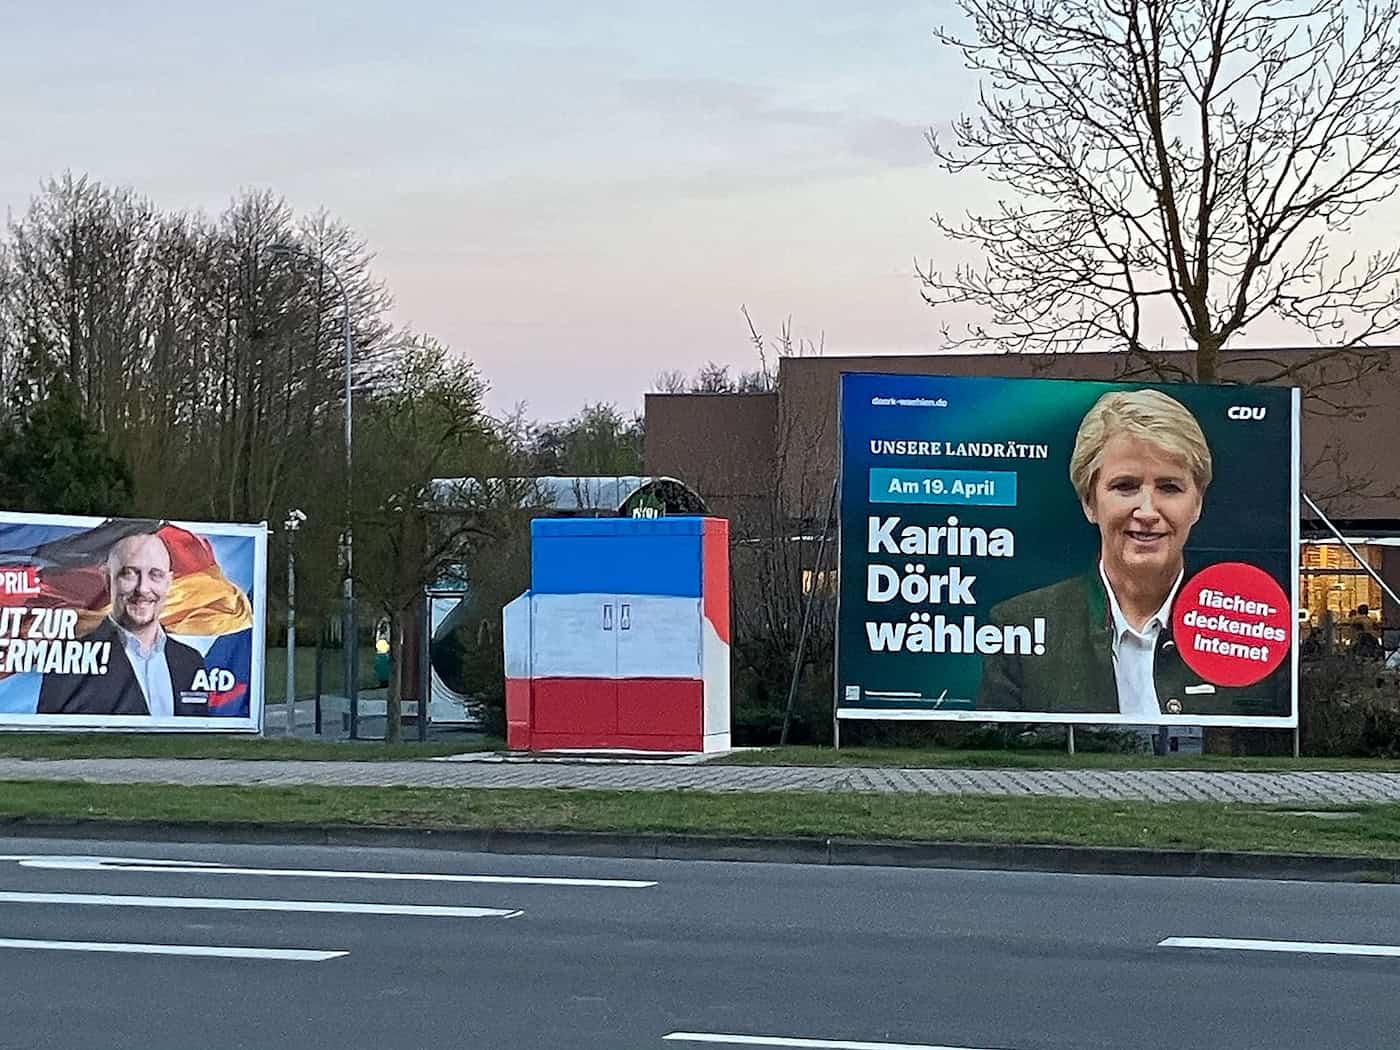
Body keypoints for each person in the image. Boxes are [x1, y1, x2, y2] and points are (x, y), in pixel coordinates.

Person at [977, 388, 1288, 718]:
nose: (1147, 512)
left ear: (1197, 503)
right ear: (1089, 501)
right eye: (1125, 486)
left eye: (1169, 487)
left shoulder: (1251, 626)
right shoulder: (1020, 625)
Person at [37, 531, 207, 716]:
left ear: (168, 582)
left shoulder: (190, 661)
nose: (143, 588)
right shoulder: (70, 658)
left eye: (155, 575)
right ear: (107, 579)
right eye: (129, 574)